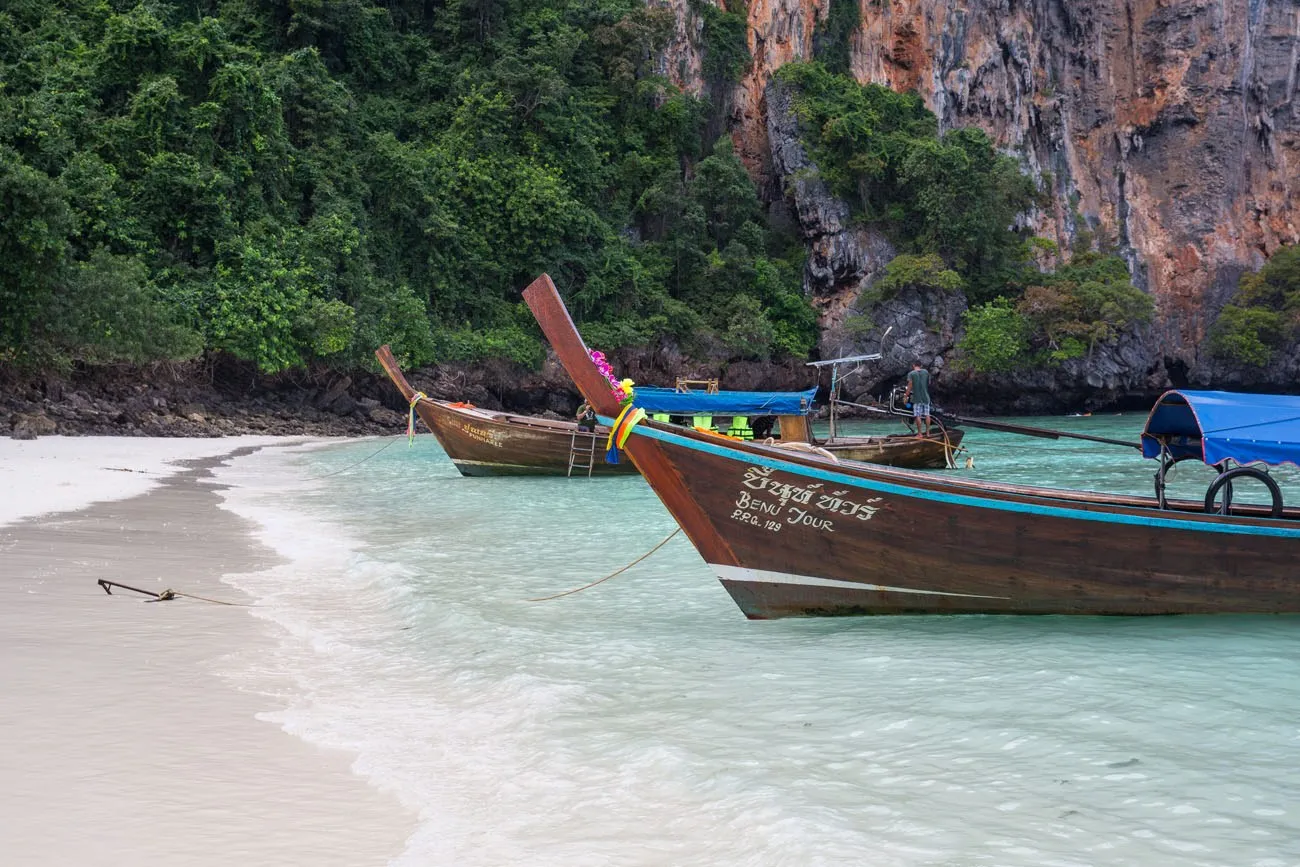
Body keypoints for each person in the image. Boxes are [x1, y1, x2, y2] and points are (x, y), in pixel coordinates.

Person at [902, 361, 931, 439]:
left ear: (913, 365)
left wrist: (905, 396)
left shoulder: (911, 374)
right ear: (921, 365)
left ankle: (920, 434)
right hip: (926, 397)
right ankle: (928, 433)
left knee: (917, 415)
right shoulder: (926, 372)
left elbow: (910, 385)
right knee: (927, 414)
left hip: (917, 398)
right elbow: (928, 383)